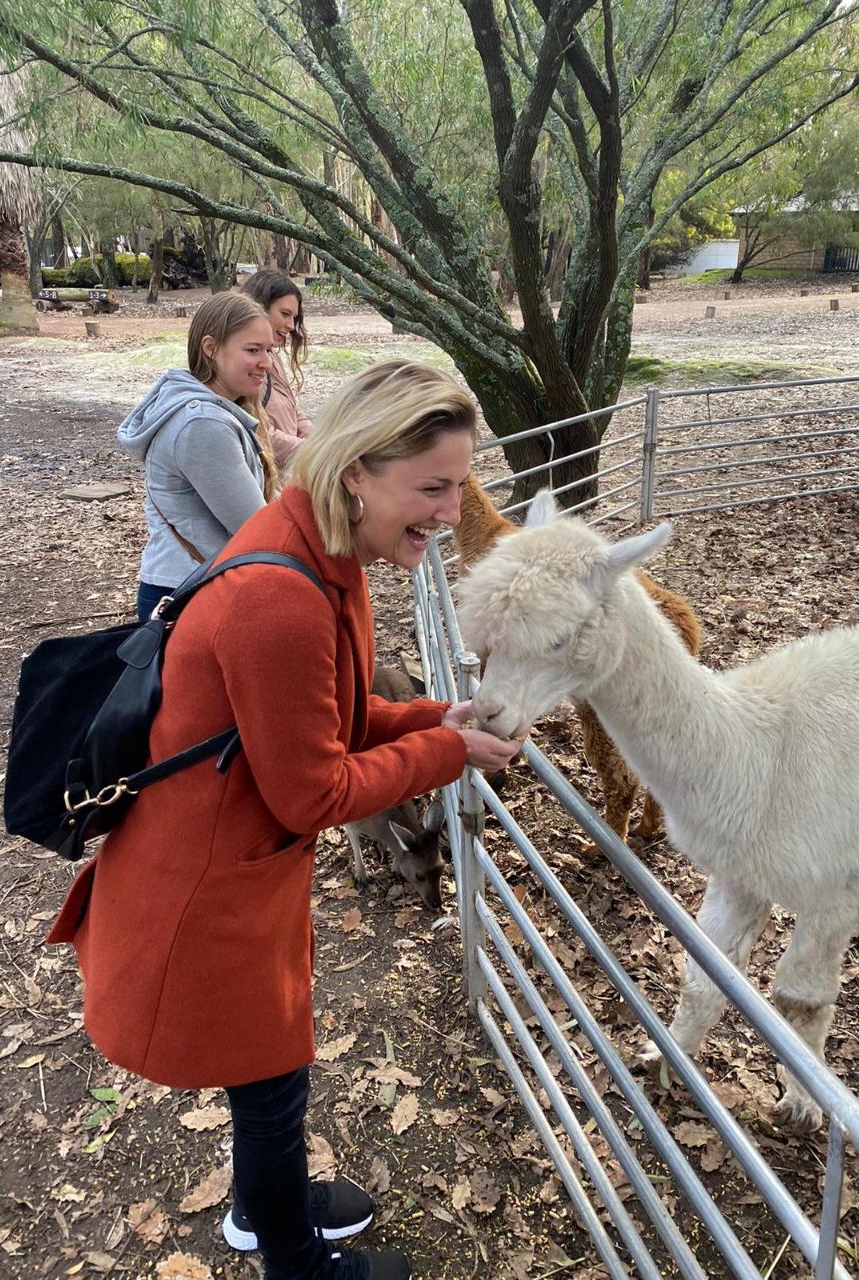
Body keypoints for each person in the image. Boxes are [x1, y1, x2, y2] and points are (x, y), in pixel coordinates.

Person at [47, 359, 521, 1280]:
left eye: (458, 486)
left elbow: (330, 721)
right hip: (206, 885)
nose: (449, 512)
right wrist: (451, 752)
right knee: (269, 1077)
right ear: (357, 471)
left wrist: (433, 718)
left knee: (266, 1066)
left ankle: (271, 1202)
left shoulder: (326, 552)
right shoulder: (280, 594)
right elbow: (317, 791)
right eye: (431, 488)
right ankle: (292, 1257)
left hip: (242, 859)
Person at [118, 292, 279, 621]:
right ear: (210, 348)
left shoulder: (212, 411)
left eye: (269, 350)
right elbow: (256, 527)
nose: (266, 362)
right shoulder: (202, 424)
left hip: (191, 585)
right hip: (188, 594)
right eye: (252, 350)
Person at [240, 268, 314, 469]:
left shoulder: (273, 356)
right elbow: (256, 429)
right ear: (259, 307)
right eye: (284, 314)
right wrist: (313, 451)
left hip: (285, 477)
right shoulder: (241, 366)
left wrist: (317, 442)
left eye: (294, 317)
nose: (291, 325)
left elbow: (295, 411)